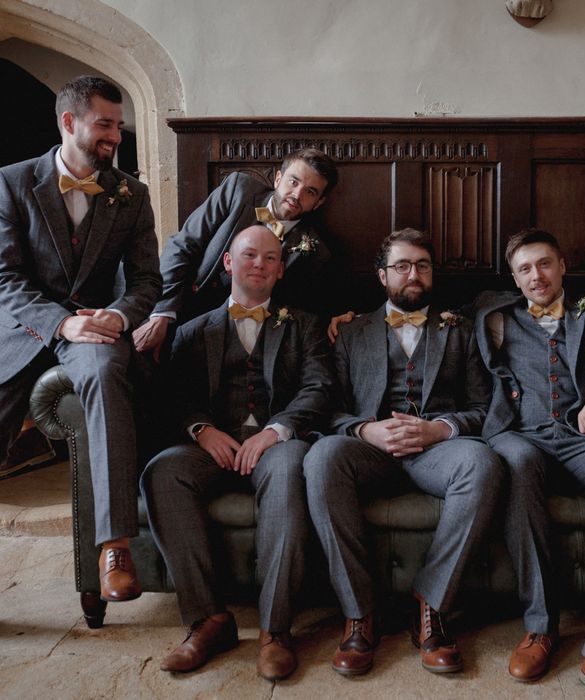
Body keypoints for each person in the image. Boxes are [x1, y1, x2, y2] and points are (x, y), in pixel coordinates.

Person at [303, 228, 504, 677]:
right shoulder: (351, 331)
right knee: (321, 458)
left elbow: (481, 408)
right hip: (369, 452)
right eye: (402, 266)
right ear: (382, 275)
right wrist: (366, 430)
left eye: (423, 266)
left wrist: (438, 429)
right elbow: (327, 411)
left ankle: (431, 606)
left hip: (436, 453)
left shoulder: (461, 330)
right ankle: (360, 614)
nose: (413, 274)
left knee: (483, 463)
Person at [141, 224, 334, 679]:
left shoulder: (304, 324)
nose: (260, 265)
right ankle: (208, 619)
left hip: (276, 447)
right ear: (229, 263)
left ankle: (275, 628)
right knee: (162, 472)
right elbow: (174, 396)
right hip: (214, 446)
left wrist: (276, 430)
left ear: (281, 269)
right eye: (250, 256)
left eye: (270, 259)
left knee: (289, 470)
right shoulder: (192, 331)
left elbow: (319, 387)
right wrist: (201, 429)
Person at [0, 75, 161, 601]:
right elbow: (5, 279)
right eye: (105, 125)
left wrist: (118, 316)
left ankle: (114, 545)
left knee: (107, 371)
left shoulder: (131, 195)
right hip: (24, 327)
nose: (116, 136)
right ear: (69, 123)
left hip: (96, 326)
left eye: (119, 125)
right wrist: (58, 322)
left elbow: (146, 282)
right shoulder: (11, 182)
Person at [476, 229, 585, 700]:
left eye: (544, 264)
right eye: (525, 269)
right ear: (514, 277)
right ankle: (540, 627)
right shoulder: (493, 312)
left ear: (563, 264)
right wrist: (346, 320)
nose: (537, 276)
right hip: (522, 435)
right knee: (518, 463)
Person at [133, 148, 342, 361]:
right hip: (184, 310)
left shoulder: (316, 252)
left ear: (319, 202)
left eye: (310, 192)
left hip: (244, 339)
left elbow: (313, 309)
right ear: (278, 178)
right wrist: (163, 313)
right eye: (293, 182)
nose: (297, 195)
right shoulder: (237, 190)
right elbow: (182, 246)